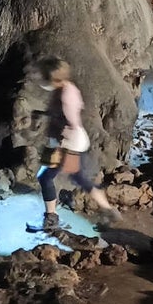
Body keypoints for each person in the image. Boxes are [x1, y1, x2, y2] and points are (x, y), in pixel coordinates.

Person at [35, 56, 120, 231]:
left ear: (54, 79)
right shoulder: (66, 89)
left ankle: (51, 218)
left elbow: (71, 121)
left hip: (68, 144)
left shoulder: (66, 96)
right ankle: (109, 210)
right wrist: (45, 115)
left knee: (45, 177)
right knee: (78, 178)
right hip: (70, 142)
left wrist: (59, 142)